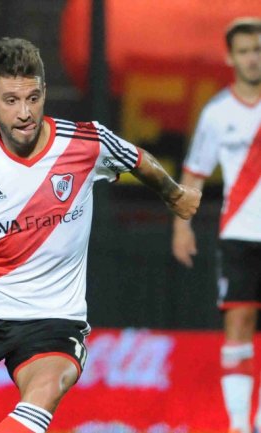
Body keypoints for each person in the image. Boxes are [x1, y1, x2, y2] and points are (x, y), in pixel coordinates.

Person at [0, 37, 202, 433]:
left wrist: (174, 193)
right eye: (11, 101)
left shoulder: (86, 142)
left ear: (44, 93)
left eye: (33, 98)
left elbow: (138, 160)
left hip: (53, 317)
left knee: (47, 387)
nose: (25, 113)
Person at [171, 17, 261, 433]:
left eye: (258, 50)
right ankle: (240, 424)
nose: (252, 58)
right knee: (237, 325)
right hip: (239, 234)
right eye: (244, 51)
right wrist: (181, 228)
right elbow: (193, 176)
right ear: (230, 57)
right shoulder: (217, 113)